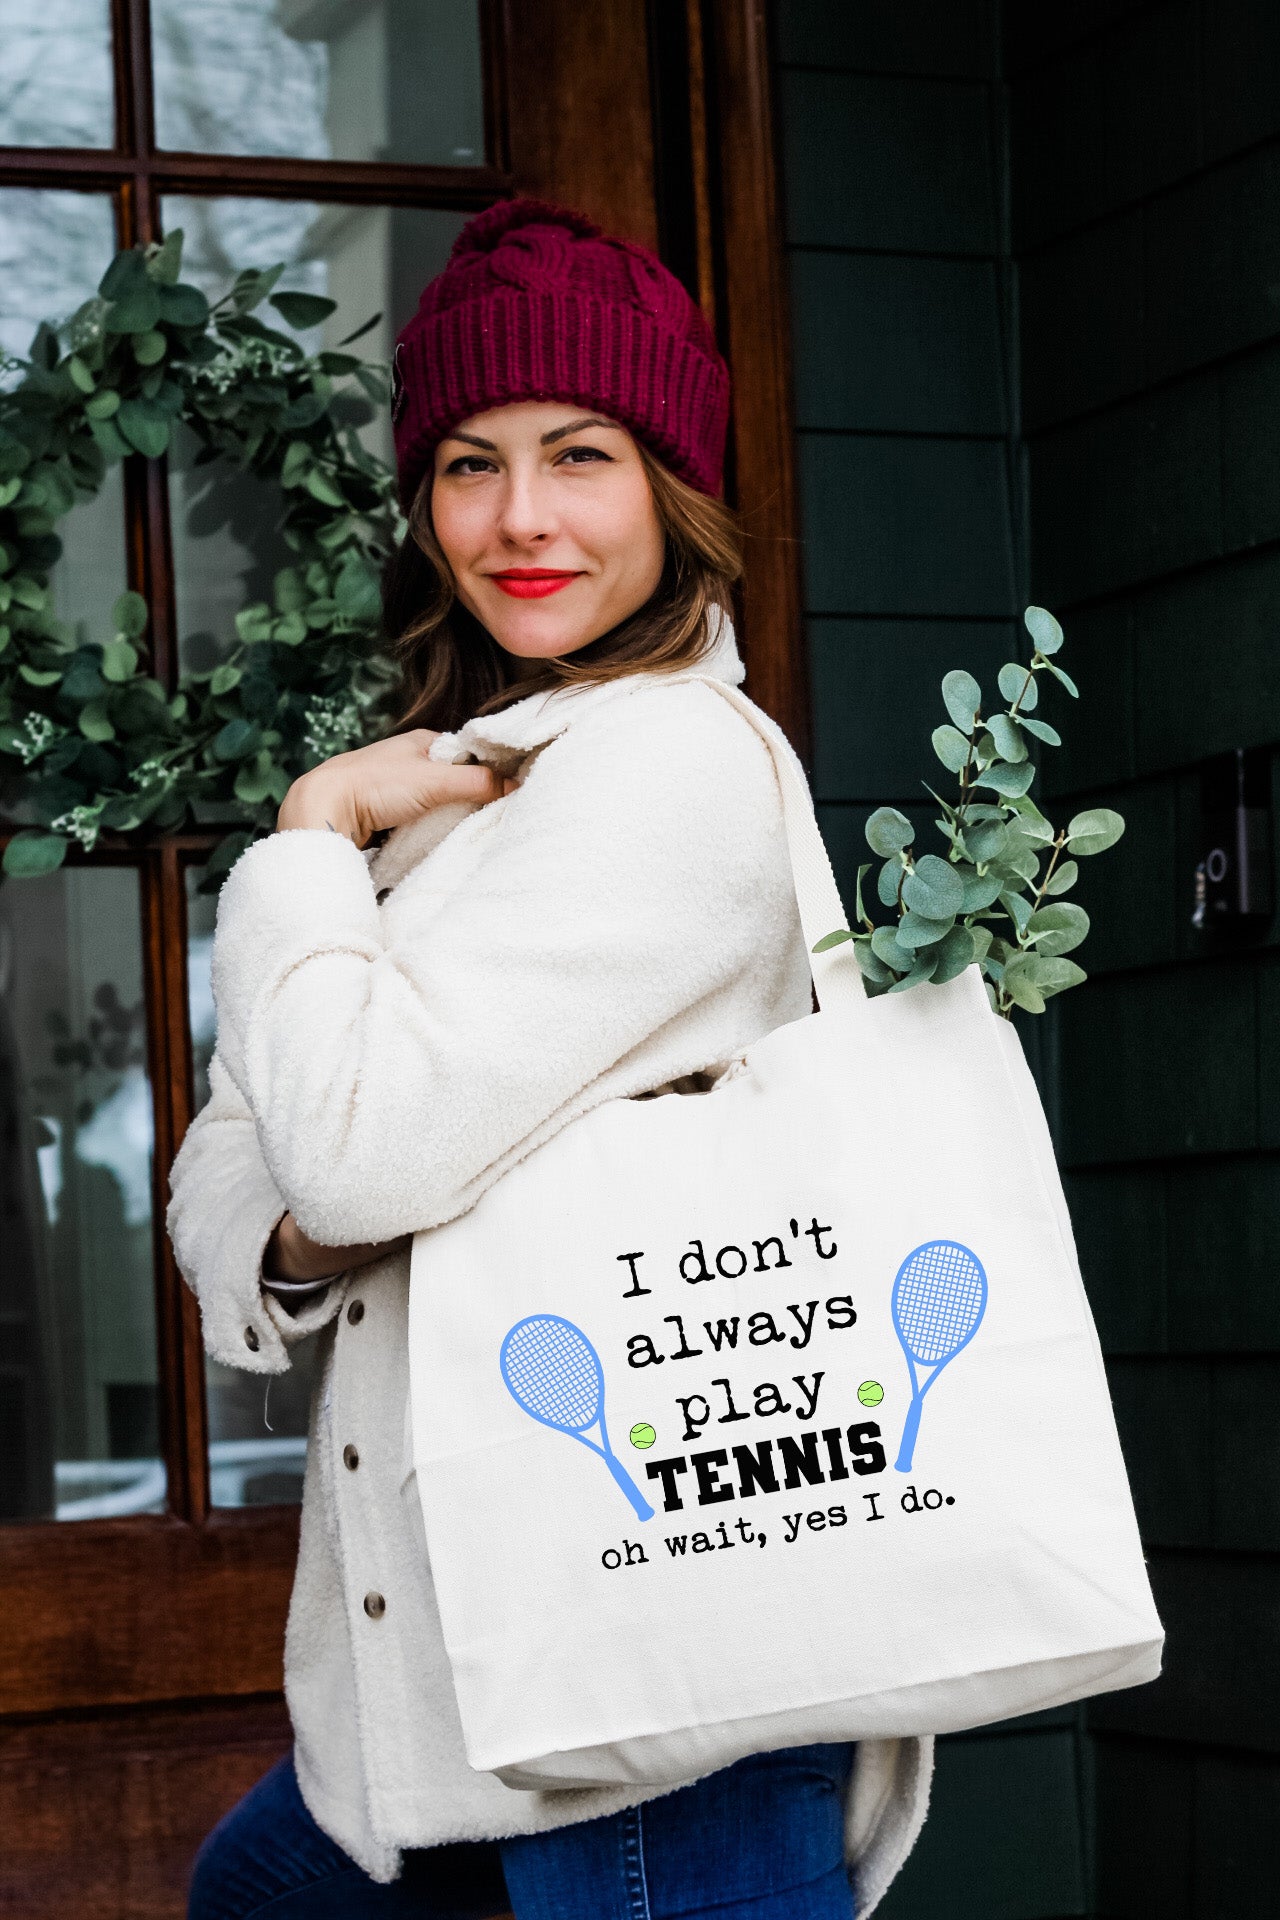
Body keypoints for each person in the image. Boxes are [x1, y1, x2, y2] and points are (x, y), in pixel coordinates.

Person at [171, 199, 932, 1920]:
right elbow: (237, 1173)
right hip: (449, 1684)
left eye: (578, 454)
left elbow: (348, 1153)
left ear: (672, 485)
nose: (518, 519)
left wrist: (304, 836)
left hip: (653, 1682)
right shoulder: (465, 789)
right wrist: (311, 1204)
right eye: (466, 462)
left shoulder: (663, 767)